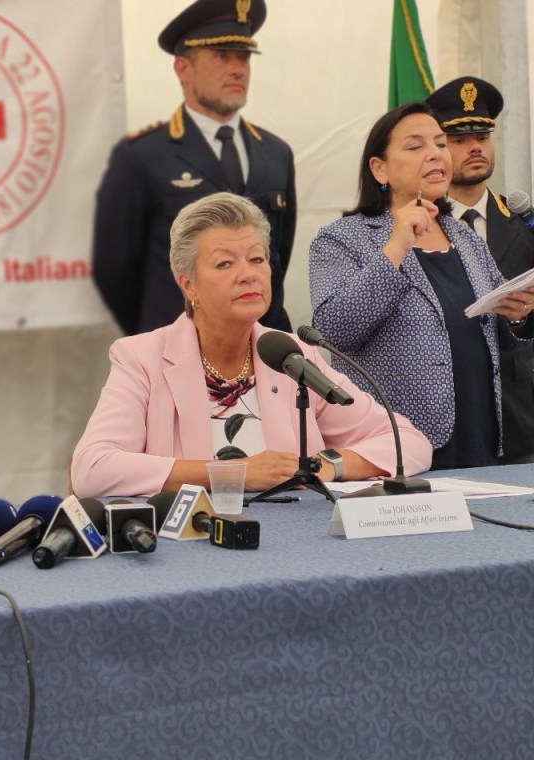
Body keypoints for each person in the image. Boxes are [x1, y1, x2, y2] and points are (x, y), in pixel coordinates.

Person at [71, 193, 430, 499]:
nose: (248, 274)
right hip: (193, 542)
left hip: (297, 541)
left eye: (257, 259)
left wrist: (324, 465)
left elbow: (409, 442)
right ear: (188, 285)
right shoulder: (141, 358)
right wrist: (234, 472)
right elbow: (92, 469)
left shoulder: (290, 355)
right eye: (225, 263)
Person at [309, 102, 534, 471]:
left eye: (440, 144)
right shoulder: (341, 239)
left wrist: (519, 314)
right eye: (415, 146)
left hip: (480, 436)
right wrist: (396, 247)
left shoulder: (466, 238)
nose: (435, 154)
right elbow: (334, 330)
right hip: (397, 444)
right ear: (379, 168)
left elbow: (498, 340)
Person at [91, 0, 296, 336]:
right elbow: (115, 269)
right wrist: (156, 336)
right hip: (176, 346)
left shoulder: (276, 153)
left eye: (243, 58)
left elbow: (277, 255)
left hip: (262, 347)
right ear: (183, 68)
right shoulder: (142, 156)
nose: (238, 69)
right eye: (222, 57)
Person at [426, 77, 534, 464]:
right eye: (458, 139)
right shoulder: (417, 225)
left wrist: (525, 315)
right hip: (444, 414)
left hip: (518, 415)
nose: (475, 147)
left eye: (483, 137)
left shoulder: (523, 224)